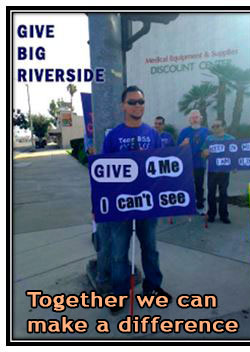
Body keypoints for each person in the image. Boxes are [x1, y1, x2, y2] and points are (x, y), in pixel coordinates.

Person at [101, 86, 172, 313]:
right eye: (132, 102)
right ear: (123, 106)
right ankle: (120, 294)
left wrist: (166, 199)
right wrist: (98, 205)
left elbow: (161, 169)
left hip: (147, 204)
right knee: (119, 252)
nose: (137, 106)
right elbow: (102, 174)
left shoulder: (153, 135)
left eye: (141, 102)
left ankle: (153, 287)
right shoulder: (113, 136)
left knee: (150, 248)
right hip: (119, 205)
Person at [201, 119, 235, 224]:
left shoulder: (231, 139)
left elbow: (235, 154)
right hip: (212, 170)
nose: (215, 128)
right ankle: (211, 214)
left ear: (224, 127)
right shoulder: (208, 139)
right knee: (211, 193)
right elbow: (202, 155)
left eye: (217, 126)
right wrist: (205, 153)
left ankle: (224, 215)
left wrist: (235, 166)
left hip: (224, 170)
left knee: (223, 193)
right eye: (213, 126)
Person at [177, 110, 210, 215]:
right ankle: (189, 206)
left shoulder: (207, 131)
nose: (194, 119)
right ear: (189, 120)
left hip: (200, 163)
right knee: (187, 185)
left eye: (196, 117)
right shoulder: (184, 132)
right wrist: (183, 144)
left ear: (201, 118)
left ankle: (200, 206)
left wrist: (208, 151)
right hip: (187, 164)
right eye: (192, 117)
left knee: (199, 185)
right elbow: (177, 148)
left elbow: (213, 145)